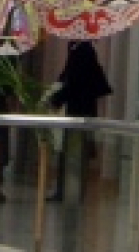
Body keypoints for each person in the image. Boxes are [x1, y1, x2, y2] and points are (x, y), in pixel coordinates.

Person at [47, 41, 112, 201]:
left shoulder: (82, 50)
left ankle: (69, 191)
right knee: (73, 150)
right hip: (81, 109)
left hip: (79, 110)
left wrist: (56, 98)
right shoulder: (79, 48)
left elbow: (75, 82)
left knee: (74, 150)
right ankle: (68, 190)